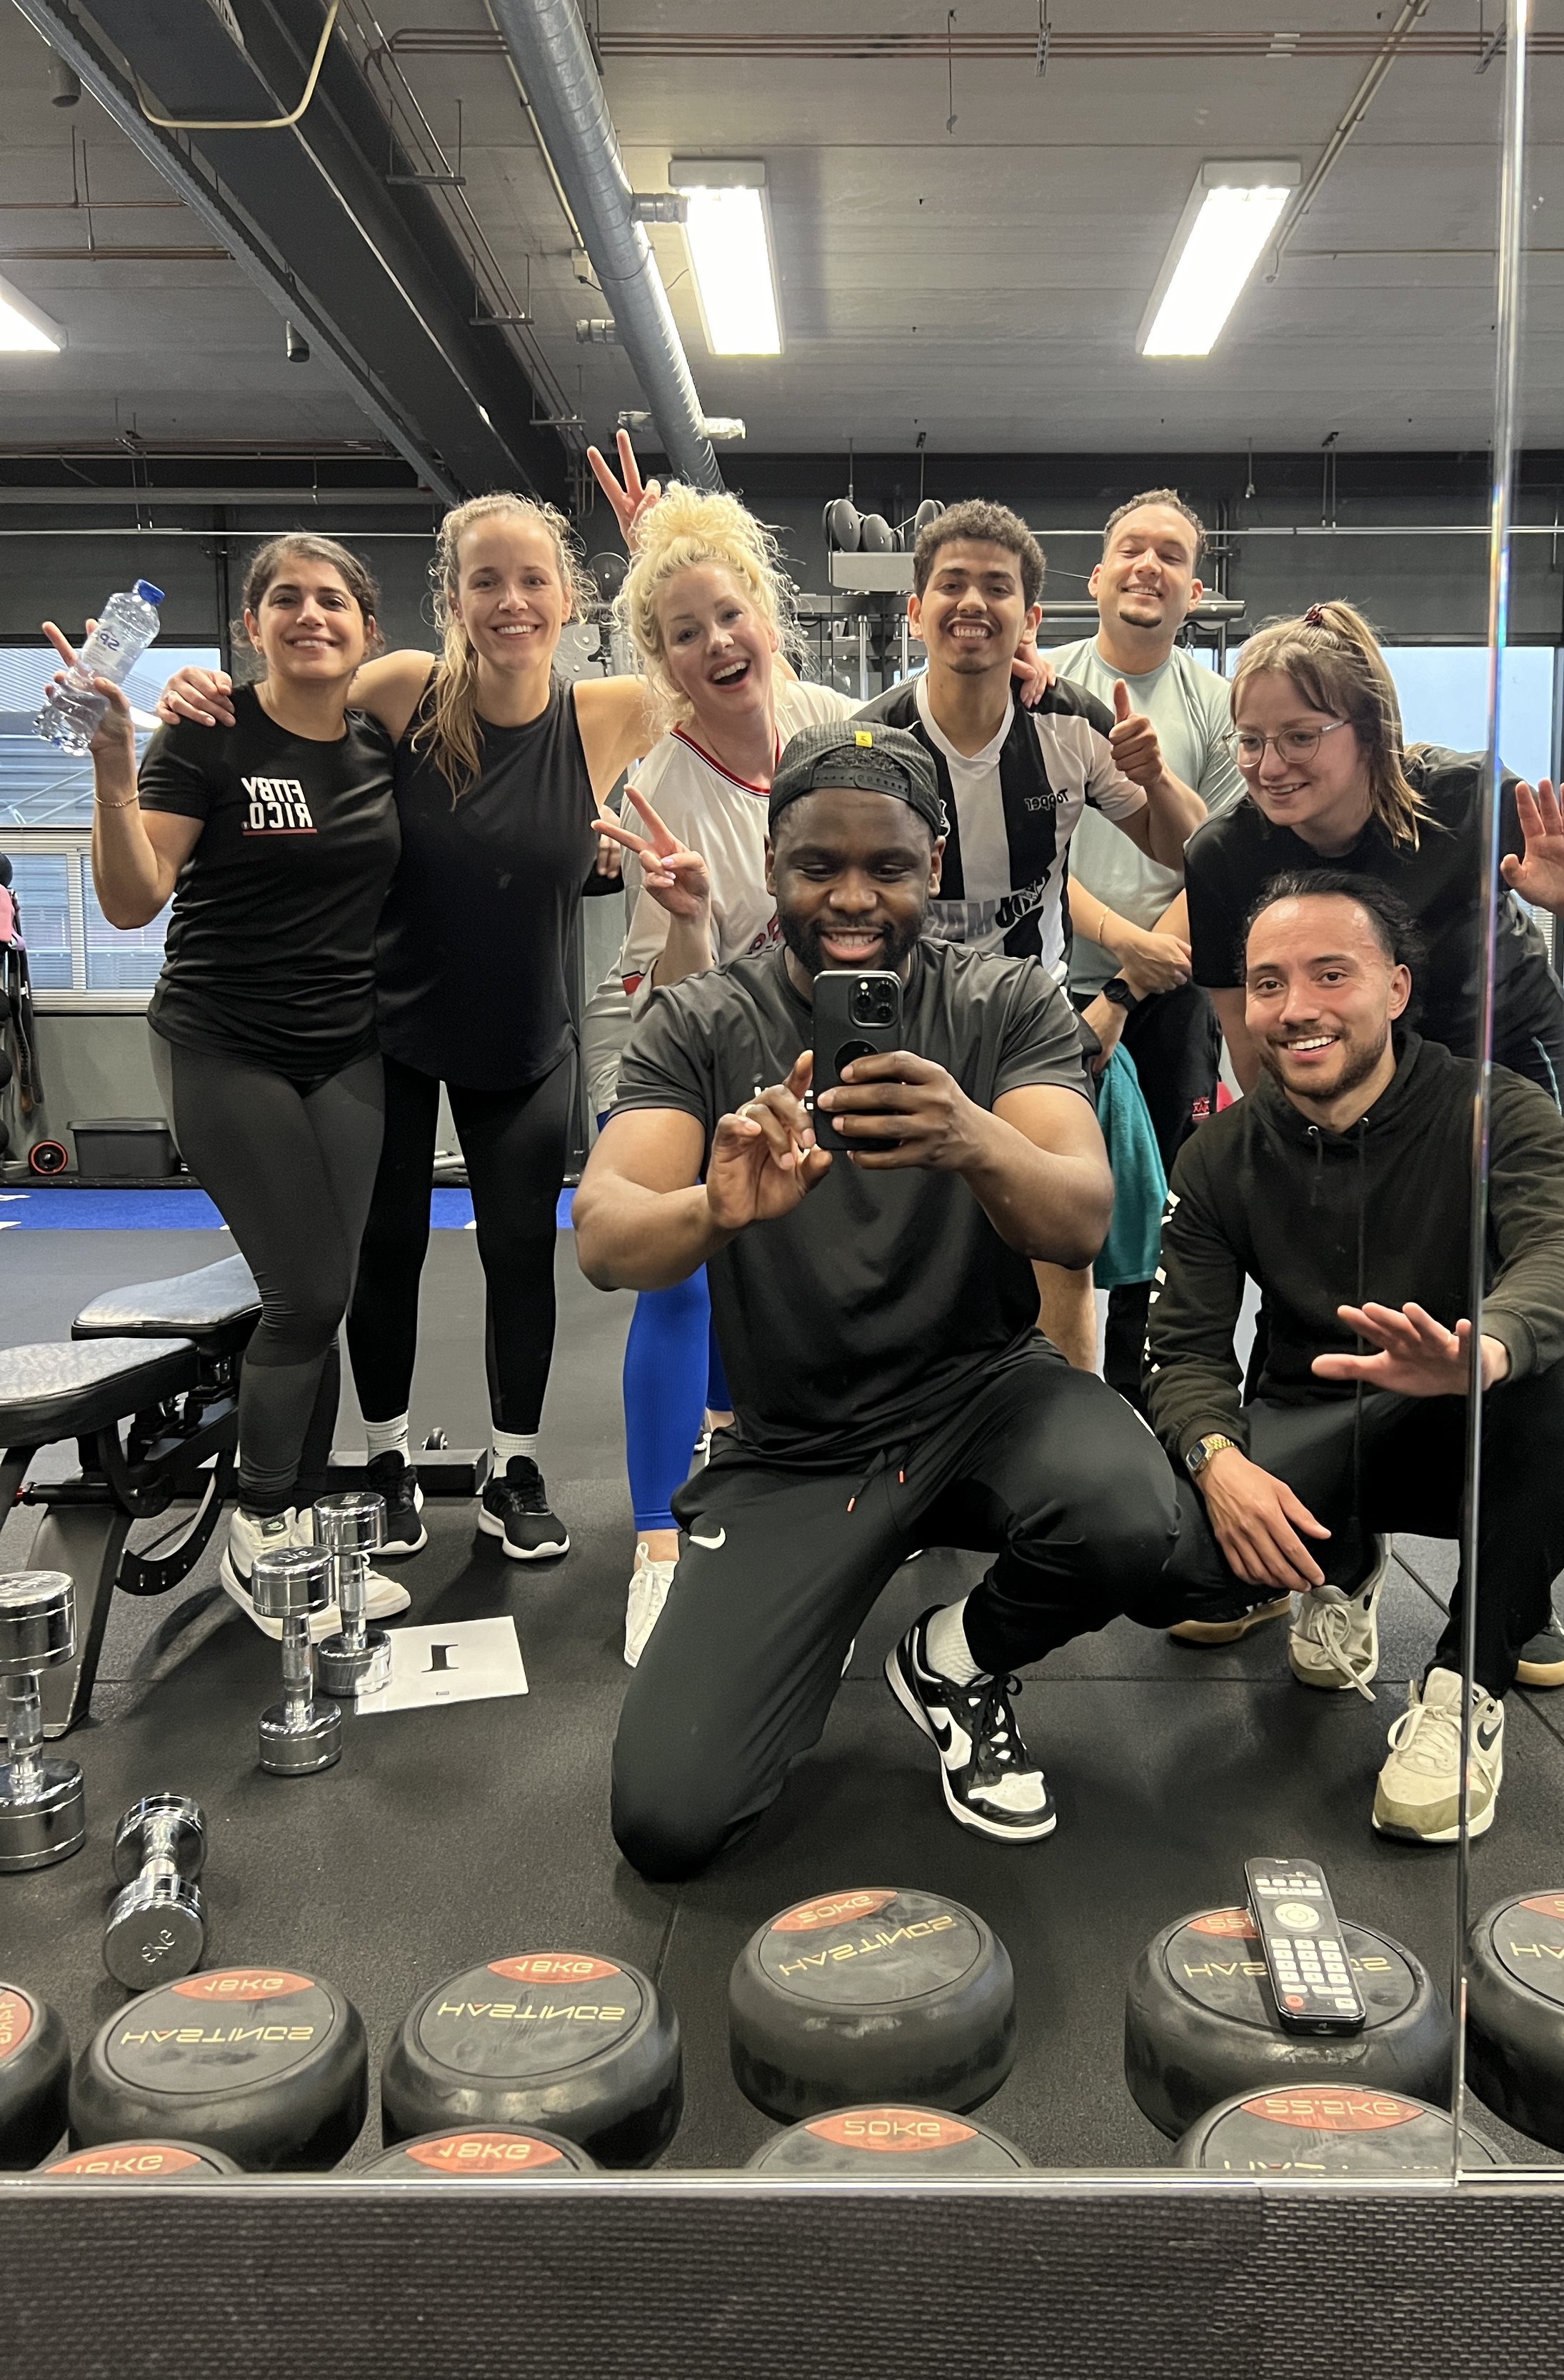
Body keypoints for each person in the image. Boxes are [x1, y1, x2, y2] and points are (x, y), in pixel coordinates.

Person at [574, 720, 1180, 1881]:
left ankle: (952, 1657)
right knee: (667, 1818)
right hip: (803, 1442)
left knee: (1145, 1526)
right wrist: (716, 1207)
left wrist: (973, 1138)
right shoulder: (700, 1023)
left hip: (983, 1399)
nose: (853, 895)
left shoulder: (1007, 1004)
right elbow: (605, 1235)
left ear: (936, 865)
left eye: (888, 866)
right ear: (772, 859)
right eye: (817, 864)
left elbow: (1082, 1215)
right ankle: (811, 1604)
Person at [159, 488, 658, 1565]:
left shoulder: (606, 713)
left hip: (529, 1043)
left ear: (570, 599)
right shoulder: (403, 689)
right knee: (381, 1257)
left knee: (522, 1258)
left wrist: (654, 550)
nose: (511, 601)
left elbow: (735, 663)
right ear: (452, 597)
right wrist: (202, 691)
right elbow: (283, 703)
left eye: (534, 580)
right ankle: (383, 1458)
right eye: (486, 580)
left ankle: (512, 1467)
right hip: (384, 1034)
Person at [1140, 870, 1564, 1844]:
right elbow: (1181, 1345)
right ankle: (1342, 1568)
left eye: (1330, 974)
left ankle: (1465, 1684)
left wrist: (1486, 1349)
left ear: (1396, 988)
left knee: (1558, 1378)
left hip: (1463, 1417)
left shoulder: (1499, 1111)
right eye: (1268, 983)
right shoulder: (1219, 1154)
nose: (1296, 1008)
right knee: (1175, 1567)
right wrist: (1216, 1463)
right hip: (1313, 1420)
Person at [51, 536, 408, 1633]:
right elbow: (130, 898)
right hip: (224, 1044)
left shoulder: (373, 741)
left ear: (366, 627)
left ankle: (303, 1517)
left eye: (335, 600)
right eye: (287, 600)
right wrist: (117, 763)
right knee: (304, 1296)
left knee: (323, 1294)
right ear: (251, 626)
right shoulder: (206, 737)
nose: (312, 615)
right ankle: (261, 1529)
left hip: (344, 1048)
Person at [579, 479, 857, 1662]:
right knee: (681, 1272)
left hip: (815, 1038)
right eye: (684, 632)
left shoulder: (845, 723)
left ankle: (811, 1526)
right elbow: (673, 991)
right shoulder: (661, 783)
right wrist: (690, 911)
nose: (715, 642)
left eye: (728, 614)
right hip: (683, 1031)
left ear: (768, 615)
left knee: (825, 1283)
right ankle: (654, 1547)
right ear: (666, 664)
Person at [854, 497, 1209, 1368]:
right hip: (904, 1018)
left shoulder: (1076, 725)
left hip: (1030, 1022)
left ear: (1031, 618)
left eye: (997, 587)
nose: (973, 602)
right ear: (915, 610)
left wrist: (1154, 780)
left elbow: (1188, 845)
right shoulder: (871, 738)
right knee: (900, 1255)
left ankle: (1067, 1448)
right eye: (951, 584)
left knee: (1061, 1250)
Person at [1185, 599, 1564, 1119]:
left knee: (1514, 1196)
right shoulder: (1221, 855)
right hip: (1350, 1061)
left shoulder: (1468, 800)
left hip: (1496, 1043)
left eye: (1301, 738)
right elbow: (1250, 1043)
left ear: (1370, 733)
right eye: (1251, 741)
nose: (1271, 766)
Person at [1046, 488, 1245, 1399]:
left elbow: (1215, 859)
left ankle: (1138, 1404)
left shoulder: (1217, 706)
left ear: (1192, 590)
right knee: (1030, 1190)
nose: (1148, 566)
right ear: (1096, 574)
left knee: (1162, 1201)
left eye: (1170, 555)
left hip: (1169, 994)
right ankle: (1025, 1394)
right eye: (1132, 548)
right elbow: (1023, 852)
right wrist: (1118, 946)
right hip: (1041, 982)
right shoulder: (1040, 684)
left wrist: (1131, 983)